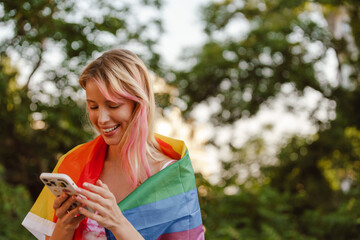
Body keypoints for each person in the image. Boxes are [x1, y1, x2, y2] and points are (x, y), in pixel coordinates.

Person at [22, 49, 205, 240]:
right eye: (93, 106)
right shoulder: (74, 164)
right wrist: (65, 225)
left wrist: (118, 223)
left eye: (113, 105)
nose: (101, 119)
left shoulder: (172, 176)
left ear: (139, 104)